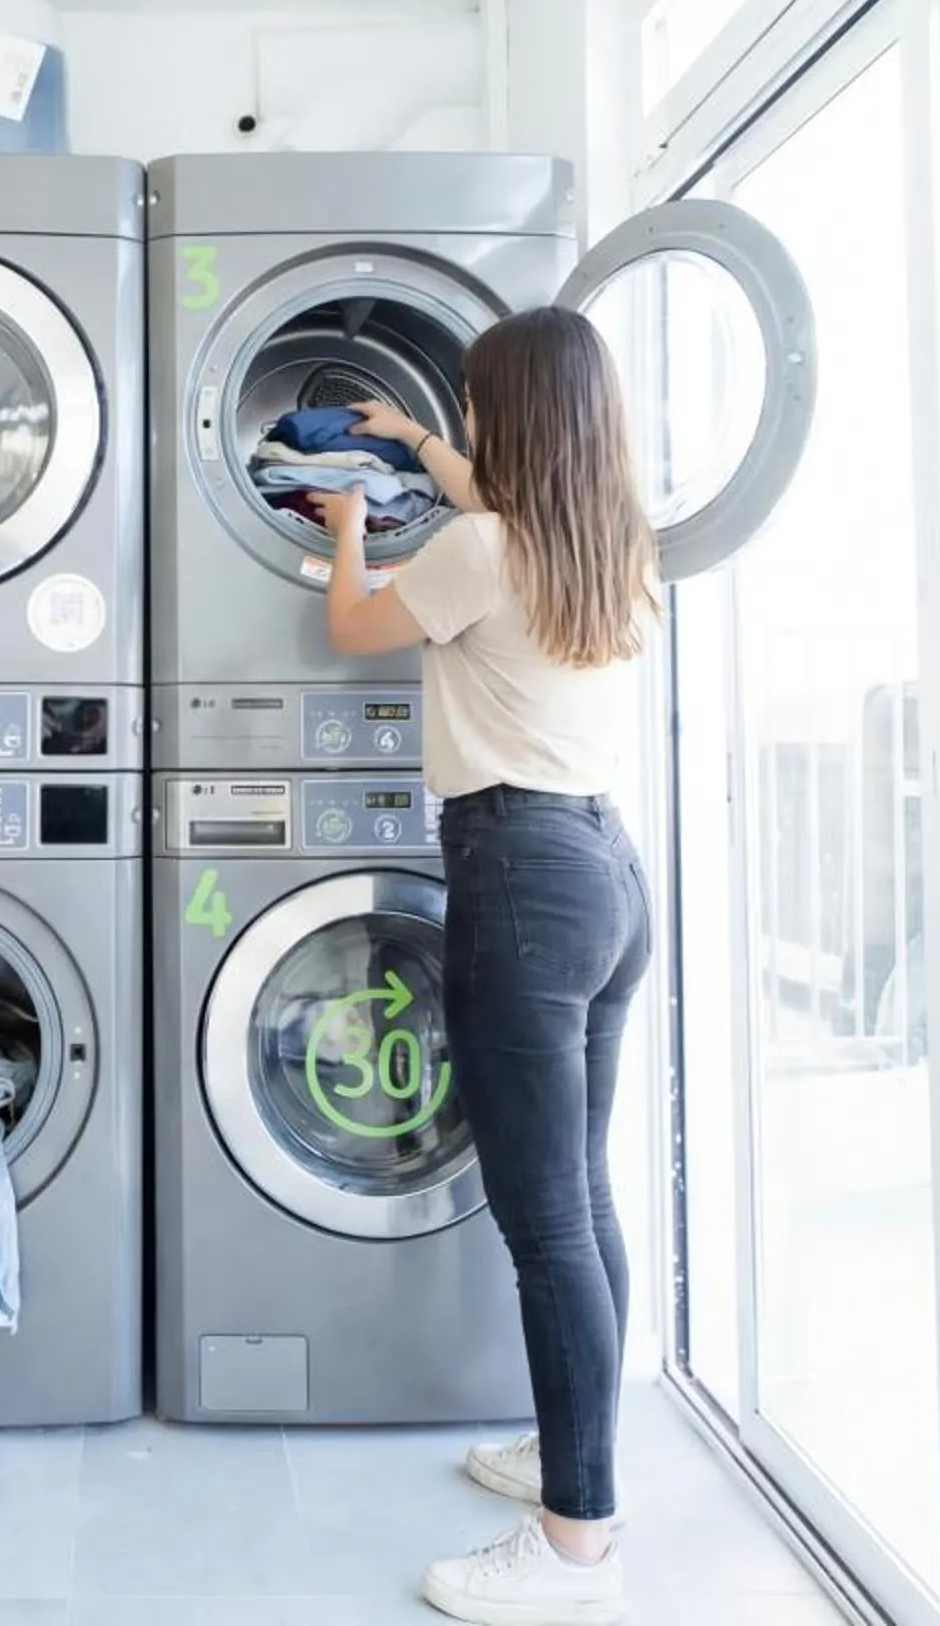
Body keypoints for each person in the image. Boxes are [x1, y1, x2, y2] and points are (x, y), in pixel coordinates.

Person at [312, 306, 658, 1626]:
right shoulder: (608, 547)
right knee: (583, 1197)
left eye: (466, 406)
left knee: (545, 1224)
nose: (459, 426)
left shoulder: (476, 551)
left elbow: (356, 628)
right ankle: (582, 1462)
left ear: (508, 414)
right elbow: (489, 511)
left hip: (516, 873)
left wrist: (348, 532)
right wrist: (415, 445)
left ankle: (576, 1545)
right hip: (610, 876)